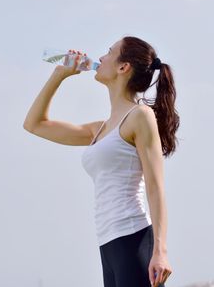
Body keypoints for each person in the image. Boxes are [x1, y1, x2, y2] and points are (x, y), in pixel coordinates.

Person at [23, 36, 179, 287]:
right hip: (108, 243)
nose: (101, 57)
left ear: (123, 67)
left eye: (109, 52)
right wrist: (59, 75)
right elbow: (34, 125)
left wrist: (161, 251)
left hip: (134, 237)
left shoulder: (139, 116)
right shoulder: (100, 130)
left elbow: (155, 186)